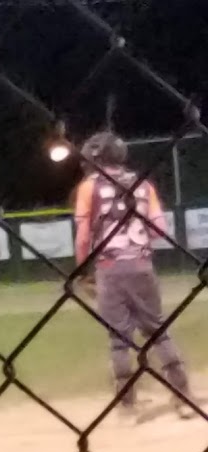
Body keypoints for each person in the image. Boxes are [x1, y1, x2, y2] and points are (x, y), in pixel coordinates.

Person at [72, 131, 196, 419]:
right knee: (158, 331)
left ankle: (127, 405)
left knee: (119, 338)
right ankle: (183, 396)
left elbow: (82, 238)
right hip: (142, 265)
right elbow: (159, 229)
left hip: (109, 267)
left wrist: (83, 272)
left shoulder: (89, 186)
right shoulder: (143, 183)